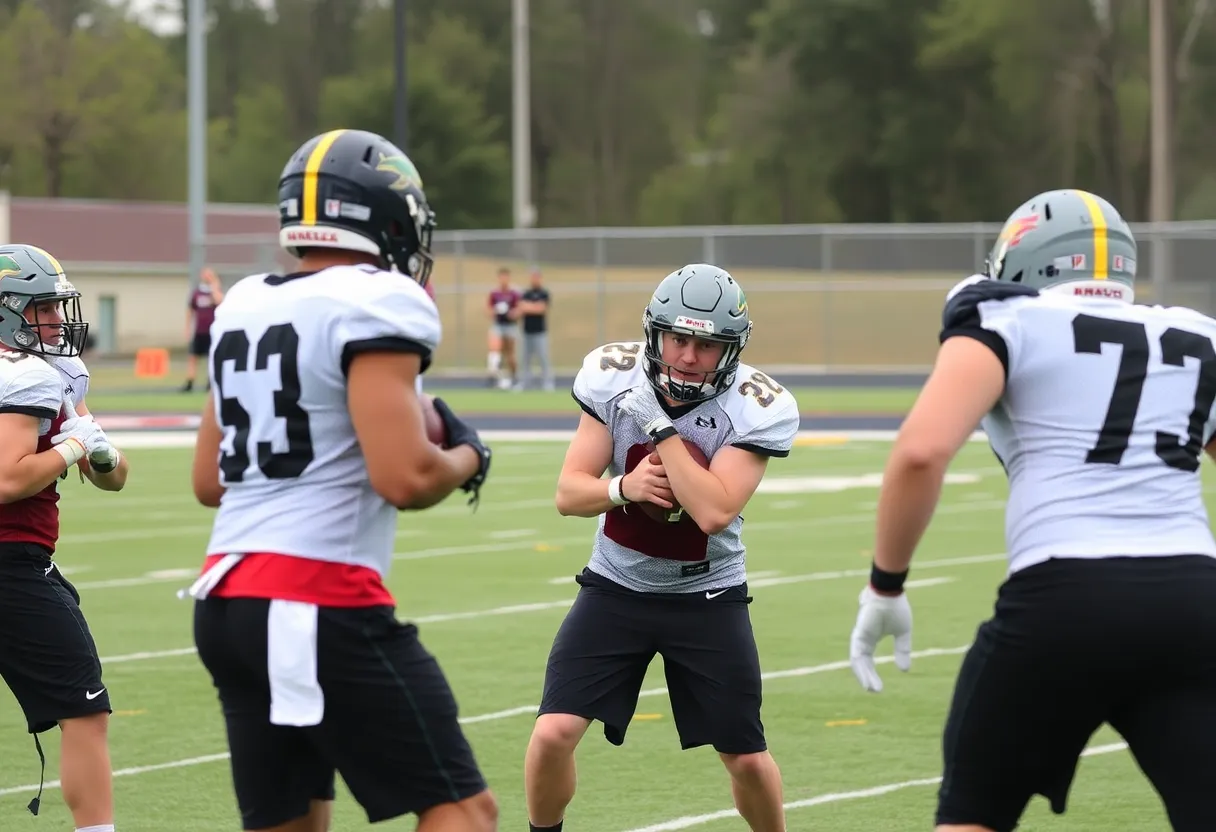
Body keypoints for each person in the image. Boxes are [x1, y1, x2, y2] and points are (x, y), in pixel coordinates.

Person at [849, 189, 1216, 832]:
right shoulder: (1196, 334)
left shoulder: (1005, 319)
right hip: (1195, 603)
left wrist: (886, 585)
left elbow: (921, 453)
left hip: (1066, 597)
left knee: (971, 818)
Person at [186, 128, 498, 832]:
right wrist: (469, 458)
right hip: (313, 596)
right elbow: (406, 478)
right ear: (386, 217)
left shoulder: (243, 302)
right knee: (465, 811)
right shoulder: (378, 298)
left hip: (226, 603)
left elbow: (209, 480)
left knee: (292, 820)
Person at [524, 263, 799, 832]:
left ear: (731, 349)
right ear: (655, 333)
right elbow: (568, 493)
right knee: (552, 733)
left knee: (745, 756)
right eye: (678, 338)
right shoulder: (613, 376)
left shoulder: (757, 403)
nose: (688, 355)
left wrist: (663, 431)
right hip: (615, 588)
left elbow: (716, 510)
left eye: (706, 344)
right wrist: (622, 488)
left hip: (707, 595)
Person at [0, 243, 128, 831]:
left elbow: (112, 479)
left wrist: (96, 448)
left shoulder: (53, 373)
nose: (55, 319)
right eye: (41, 308)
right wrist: (75, 445)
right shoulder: (24, 373)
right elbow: (7, 480)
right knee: (85, 711)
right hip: (12, 566)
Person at [181, 266, 224, 392]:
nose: (207, 277)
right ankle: (190, 382)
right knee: (193, 357)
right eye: (205, 275)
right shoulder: (197, 293)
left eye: (210, 275)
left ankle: (210, 382)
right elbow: (190, 311)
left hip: (212, 331)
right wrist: (187, 328)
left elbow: (219, 301)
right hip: (199, 331)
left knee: (211, 357)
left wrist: (214, 285)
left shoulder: (216, 291)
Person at [518, 269, 554, 391]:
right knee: (525, 359)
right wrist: (532, 307)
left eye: (536, 277)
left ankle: (547, 383)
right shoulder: (526, 293)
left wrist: (529, 307)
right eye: (533, 277)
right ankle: (524, 383)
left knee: (543, 358)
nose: (534, 279)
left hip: (540, 332)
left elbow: (541, 309)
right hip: (527, 331)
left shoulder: (544, 293)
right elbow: (521, 307)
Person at [486, 266, 520, 389]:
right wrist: (495, 311)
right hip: (498, 325)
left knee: (510, 354)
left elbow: (519, 309)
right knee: (494, 348)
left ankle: (514, 377)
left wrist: (512, 313)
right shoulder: (494, 293)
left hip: (510, 326)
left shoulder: (514, 293)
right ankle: (493, 375)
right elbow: (488, 310)